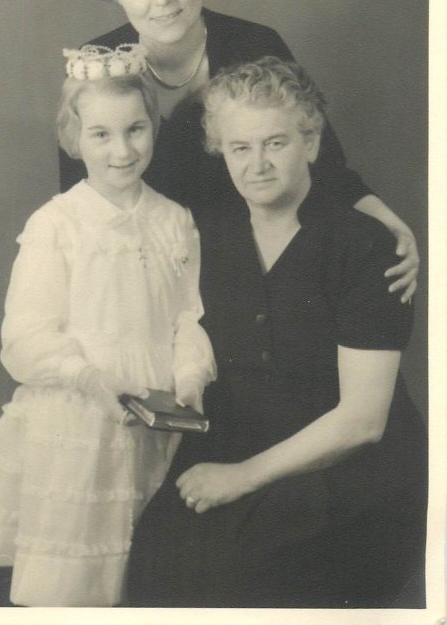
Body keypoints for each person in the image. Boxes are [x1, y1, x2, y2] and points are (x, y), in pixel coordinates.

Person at [126, 57, 427, 608]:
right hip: (239, 446)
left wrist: (241, 477)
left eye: (276, 143)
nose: (257, 164)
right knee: (154, 559)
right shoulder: (206, 233)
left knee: (247, 581)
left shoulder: (365, 245)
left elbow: (363, 422)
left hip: (352, 477)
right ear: (221, 152)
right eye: (240, 148)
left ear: (311, 144)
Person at [59, 0, 418, 302]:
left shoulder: (253, 44)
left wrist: (387, 220)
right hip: (146, 286)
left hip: (254, 279)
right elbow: (78, 206)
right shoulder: (97, 67)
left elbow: (323, 162)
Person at [0, 44, 216, 607]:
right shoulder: (58, 225)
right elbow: (25, 339)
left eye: (136, 130)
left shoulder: (175, 221)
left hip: (156, 418)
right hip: (80, 424)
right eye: (101, 135)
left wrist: (189, 379)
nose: (122, 151)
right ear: (73, 137)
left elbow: (187, 318)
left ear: (154, 128)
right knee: (75, 584)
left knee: (147, 571)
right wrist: (94, 384)